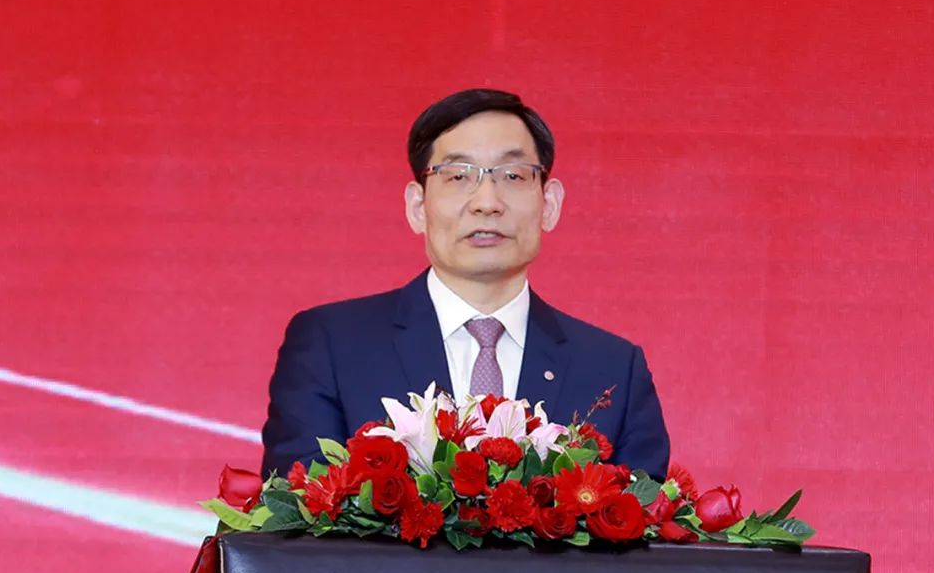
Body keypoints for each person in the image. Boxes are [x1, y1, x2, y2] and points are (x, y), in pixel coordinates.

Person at [262, 89, 670, 479]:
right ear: (418, 206)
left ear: (549, 204)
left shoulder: (612, 370)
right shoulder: (332, 346)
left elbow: (646, 516)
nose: (487, 202)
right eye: (458, 176)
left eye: (513, 175)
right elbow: (299, 507)